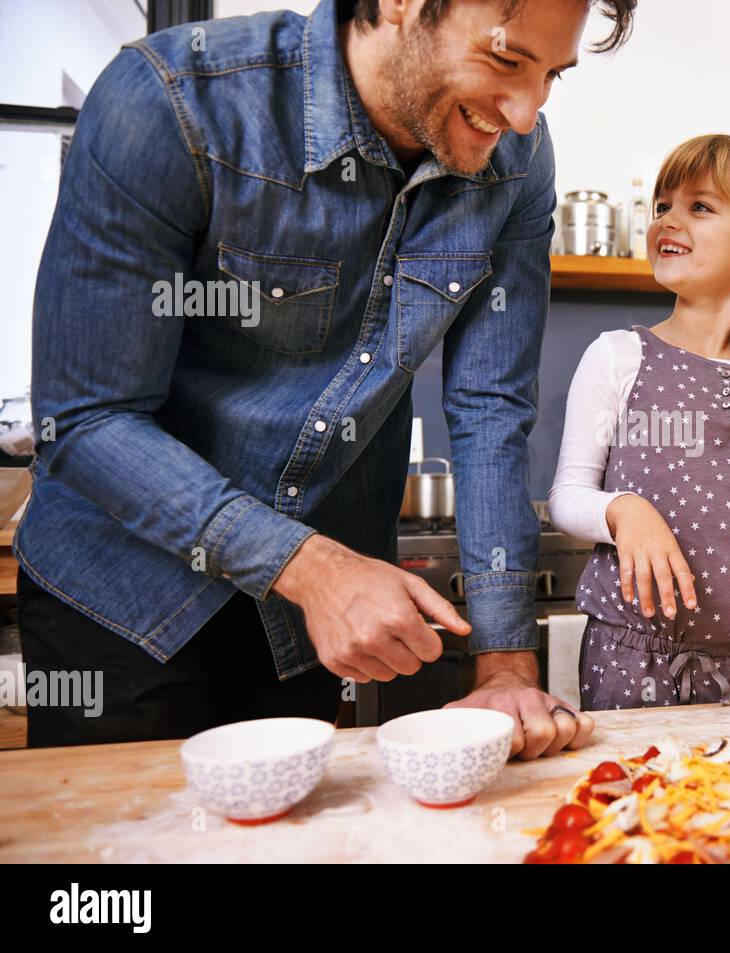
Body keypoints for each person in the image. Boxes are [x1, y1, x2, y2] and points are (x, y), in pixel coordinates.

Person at [17, 0, 635, 757]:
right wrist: (308, 567)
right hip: (122, 594)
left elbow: (489, 411)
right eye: (507, 61)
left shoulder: (517, 164)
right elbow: (86, 419)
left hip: (298, 628)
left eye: (551, 77)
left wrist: (504, 663)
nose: (525, 113)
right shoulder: (171, 101)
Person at [548, 134, 730, 711]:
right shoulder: (617, 356)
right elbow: (568, 497)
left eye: (700, 207)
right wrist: (622, 509)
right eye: (663, 205)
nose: (668, 219)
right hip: (629, 657)